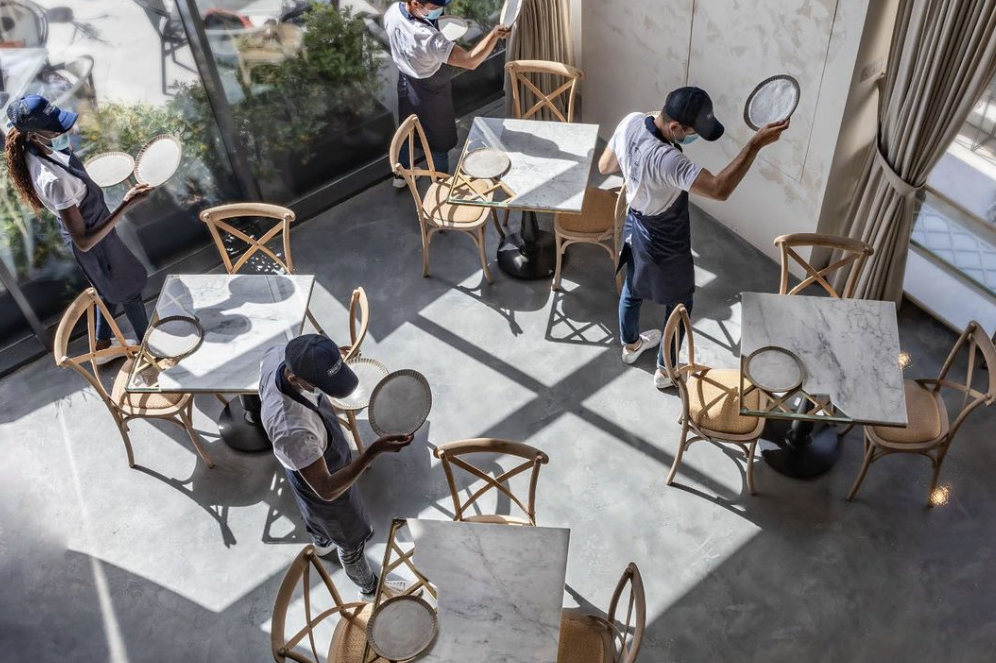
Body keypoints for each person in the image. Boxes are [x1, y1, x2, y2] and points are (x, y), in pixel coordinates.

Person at [598, 87, 789, 389]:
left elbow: (605, 166)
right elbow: (719, 189)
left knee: (632, 287)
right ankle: (666, 370)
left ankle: (631, 346)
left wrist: (635, 167)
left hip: (635, 222)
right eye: (692, 132)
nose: (694, 136)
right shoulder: (669, 160)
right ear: (675, 127)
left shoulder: (631, 121)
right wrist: (755, 145)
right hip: (665, 236)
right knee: (679, 303)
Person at [259, 334, 413, 595]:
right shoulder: (293, 430)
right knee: (351, 544)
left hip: (304, 460)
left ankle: (322, 542)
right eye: (321, 384)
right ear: (294, 379)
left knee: (315, 517)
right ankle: (370, 590)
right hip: (323, 483)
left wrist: (331, 361)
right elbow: (327, 489)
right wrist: (372, 451)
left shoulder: (278, 353)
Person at [4, 95, 153, 353]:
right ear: (34, 134)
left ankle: (102, 346)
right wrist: (127, 204)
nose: (64, 131)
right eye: (56, 128)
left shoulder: (36, 147)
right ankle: (151, 351)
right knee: (128, 290)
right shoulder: (53, 180)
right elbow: (84, 242)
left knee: (106, 286)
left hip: (94, 228)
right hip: (94, 242)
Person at [384, 0, 510, 183]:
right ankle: (441, 183)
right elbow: (469, 61)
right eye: (435, 8)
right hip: (431, 88)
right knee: (440, 141)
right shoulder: (429, 39)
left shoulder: (393, 11)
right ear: (415, 3)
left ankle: (401, 174)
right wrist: (494, 35)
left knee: (408, 129)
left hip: (406, 78)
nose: (440, 11)